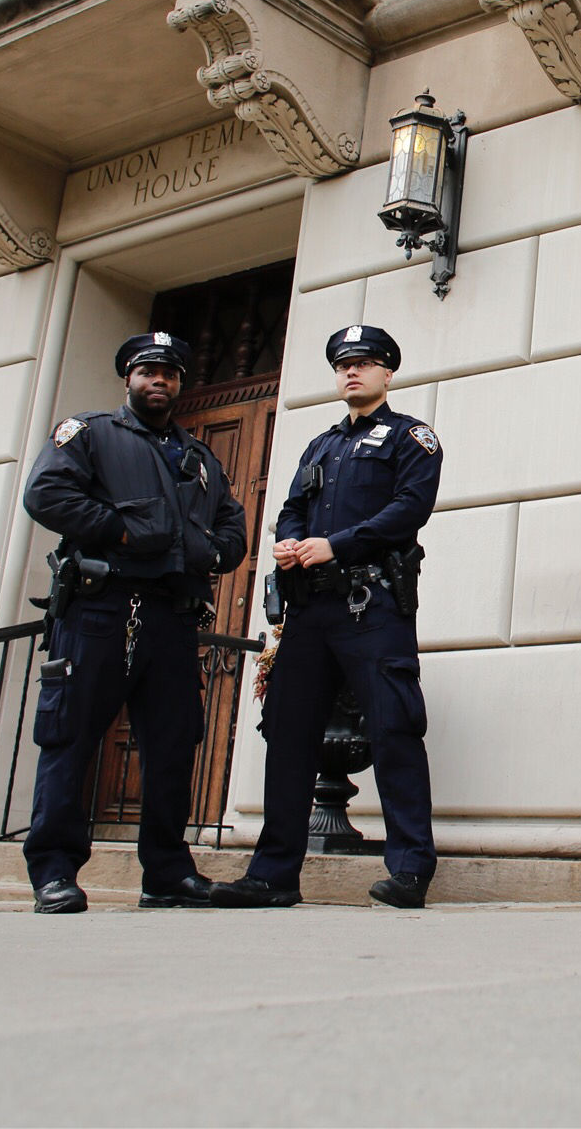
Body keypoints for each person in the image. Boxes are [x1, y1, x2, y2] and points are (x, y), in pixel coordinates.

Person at [213, 325, 441, 910]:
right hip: (311, 607)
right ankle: (273, 875)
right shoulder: (320, 446)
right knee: (288, 735)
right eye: (343, 364)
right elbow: (291, 509)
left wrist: (336, 544)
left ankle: (410, 869)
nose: (352, 373)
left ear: (388, 373)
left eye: (365, 363)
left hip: (372, 605)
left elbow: (409, 510)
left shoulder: (410, 437)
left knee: (393, 729)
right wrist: (289, 544)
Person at [21, 331, 248, 914]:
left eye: (169, 372)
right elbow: (46, 494)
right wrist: (118, 529)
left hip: (171, 619)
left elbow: (231, 526)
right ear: (129, 377)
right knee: (70, 739)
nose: (159, 380)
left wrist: (210, 553)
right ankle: (54, 872)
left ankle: (167, 874)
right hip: (102, 609)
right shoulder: (92, 433)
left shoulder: (198, 458)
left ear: (180, 383)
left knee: (173, 745)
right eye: (148, 370)